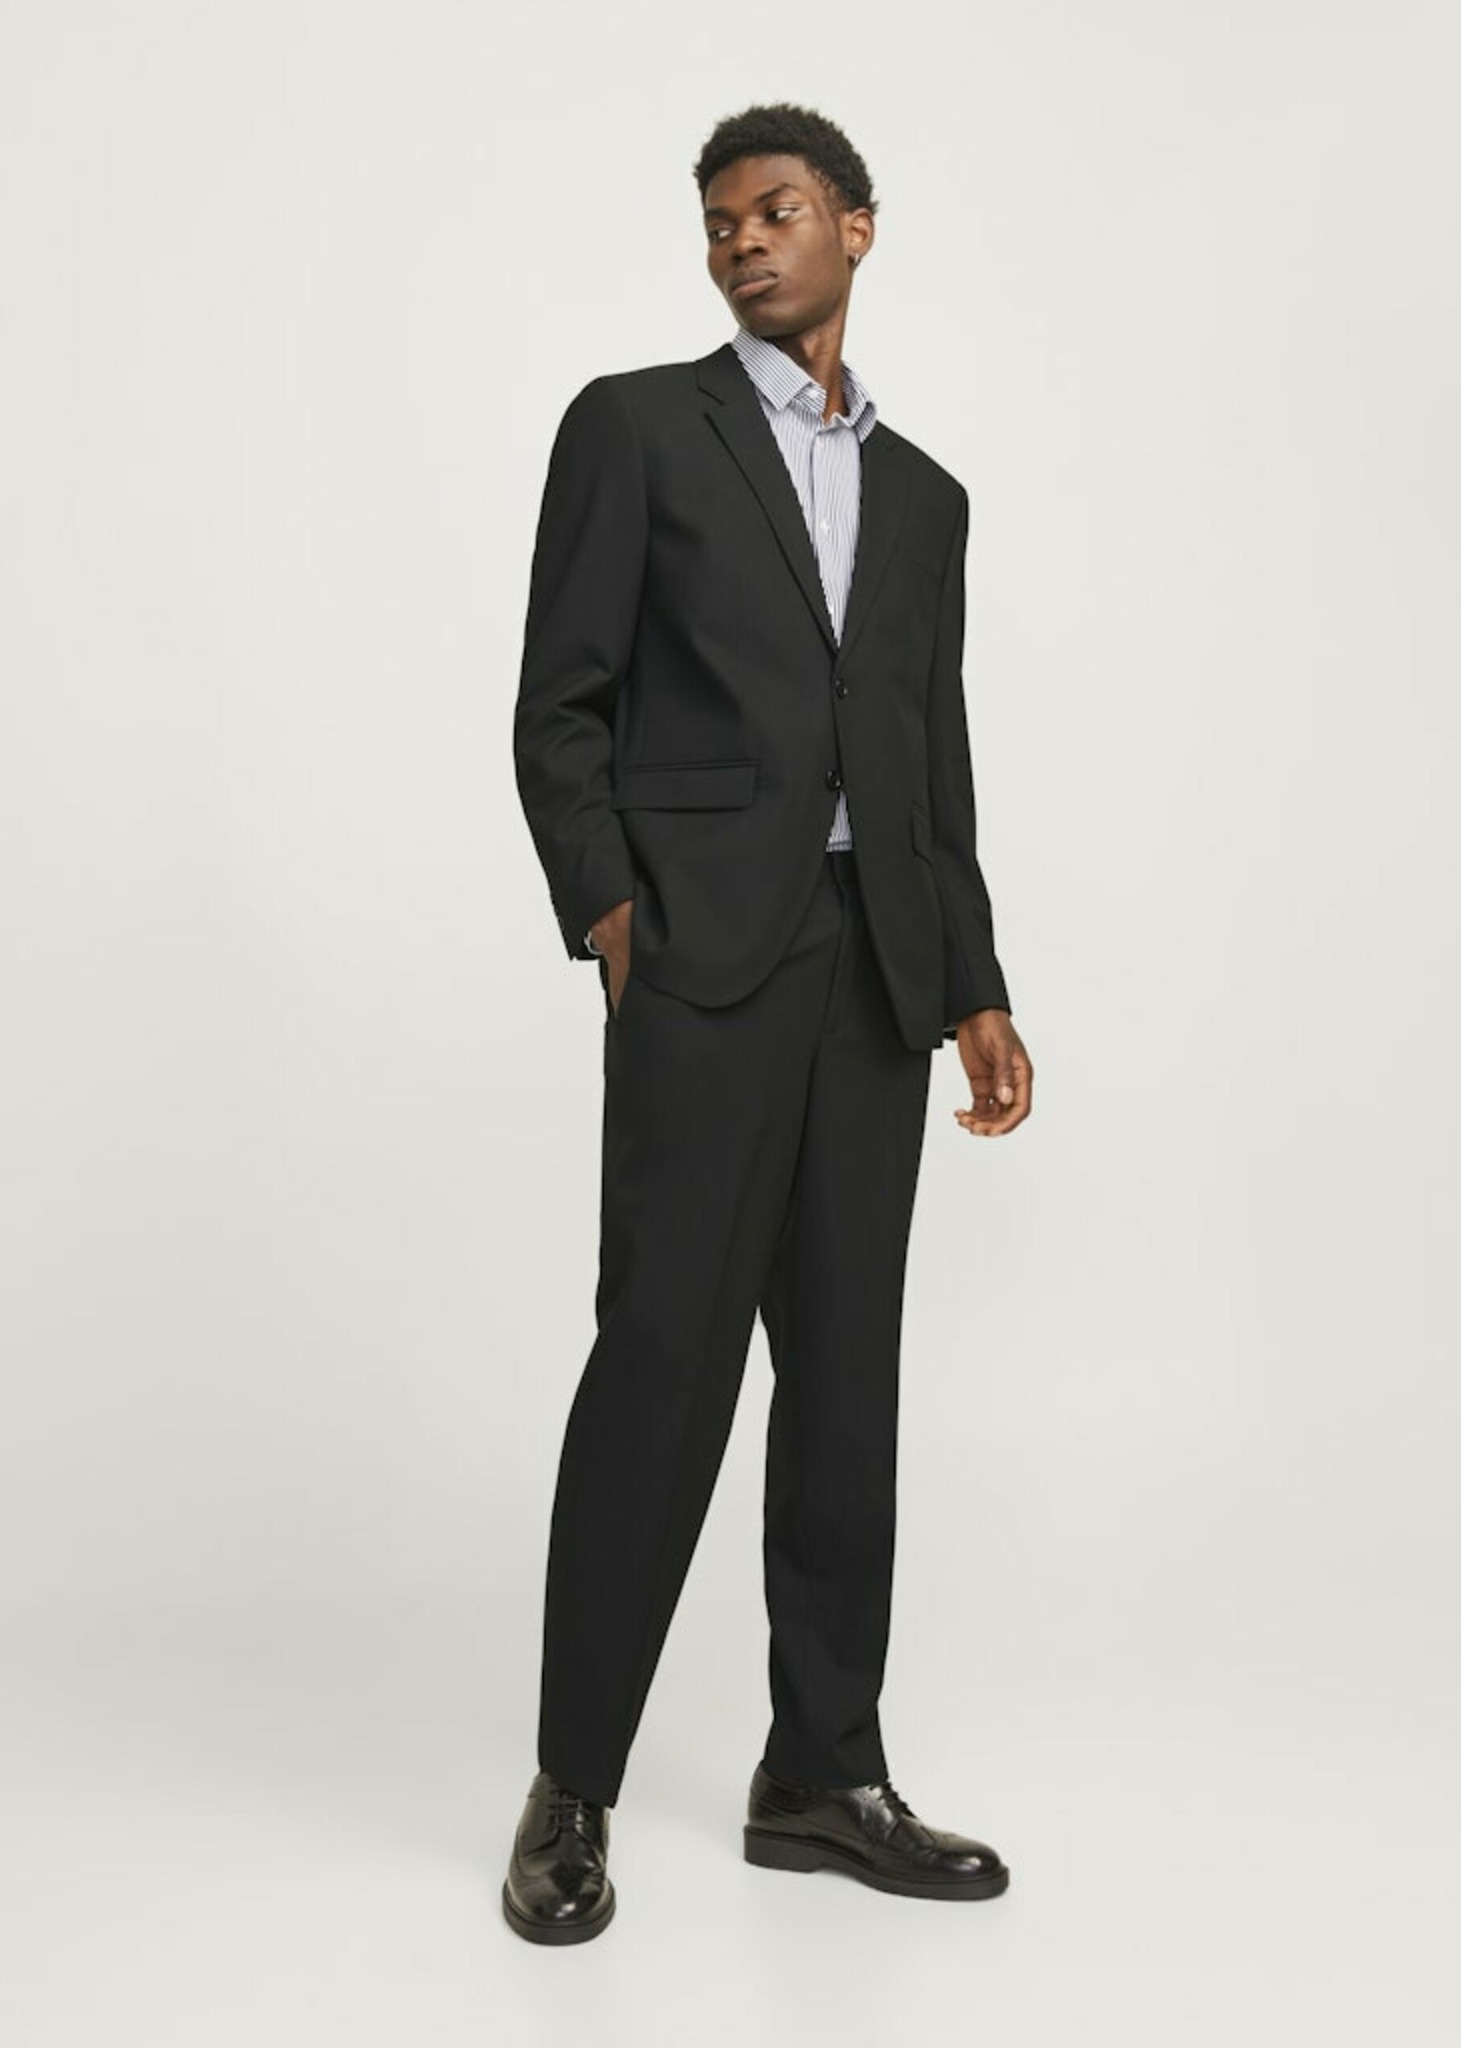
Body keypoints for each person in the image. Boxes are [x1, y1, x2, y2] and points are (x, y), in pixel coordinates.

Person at [503, 100, 1033, 1945]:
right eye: (722, 218)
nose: (743, 239)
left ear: (855, 229)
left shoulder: (928, 496)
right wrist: (610, 912)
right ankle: (572, 1784)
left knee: (845, 1378)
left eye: (778, 209)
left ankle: (821, 1771)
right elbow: (559, 701)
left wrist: (974, 981)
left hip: (875, 973)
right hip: (703, 965)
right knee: (663, 1364)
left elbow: (929, 760)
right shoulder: (638, 428)